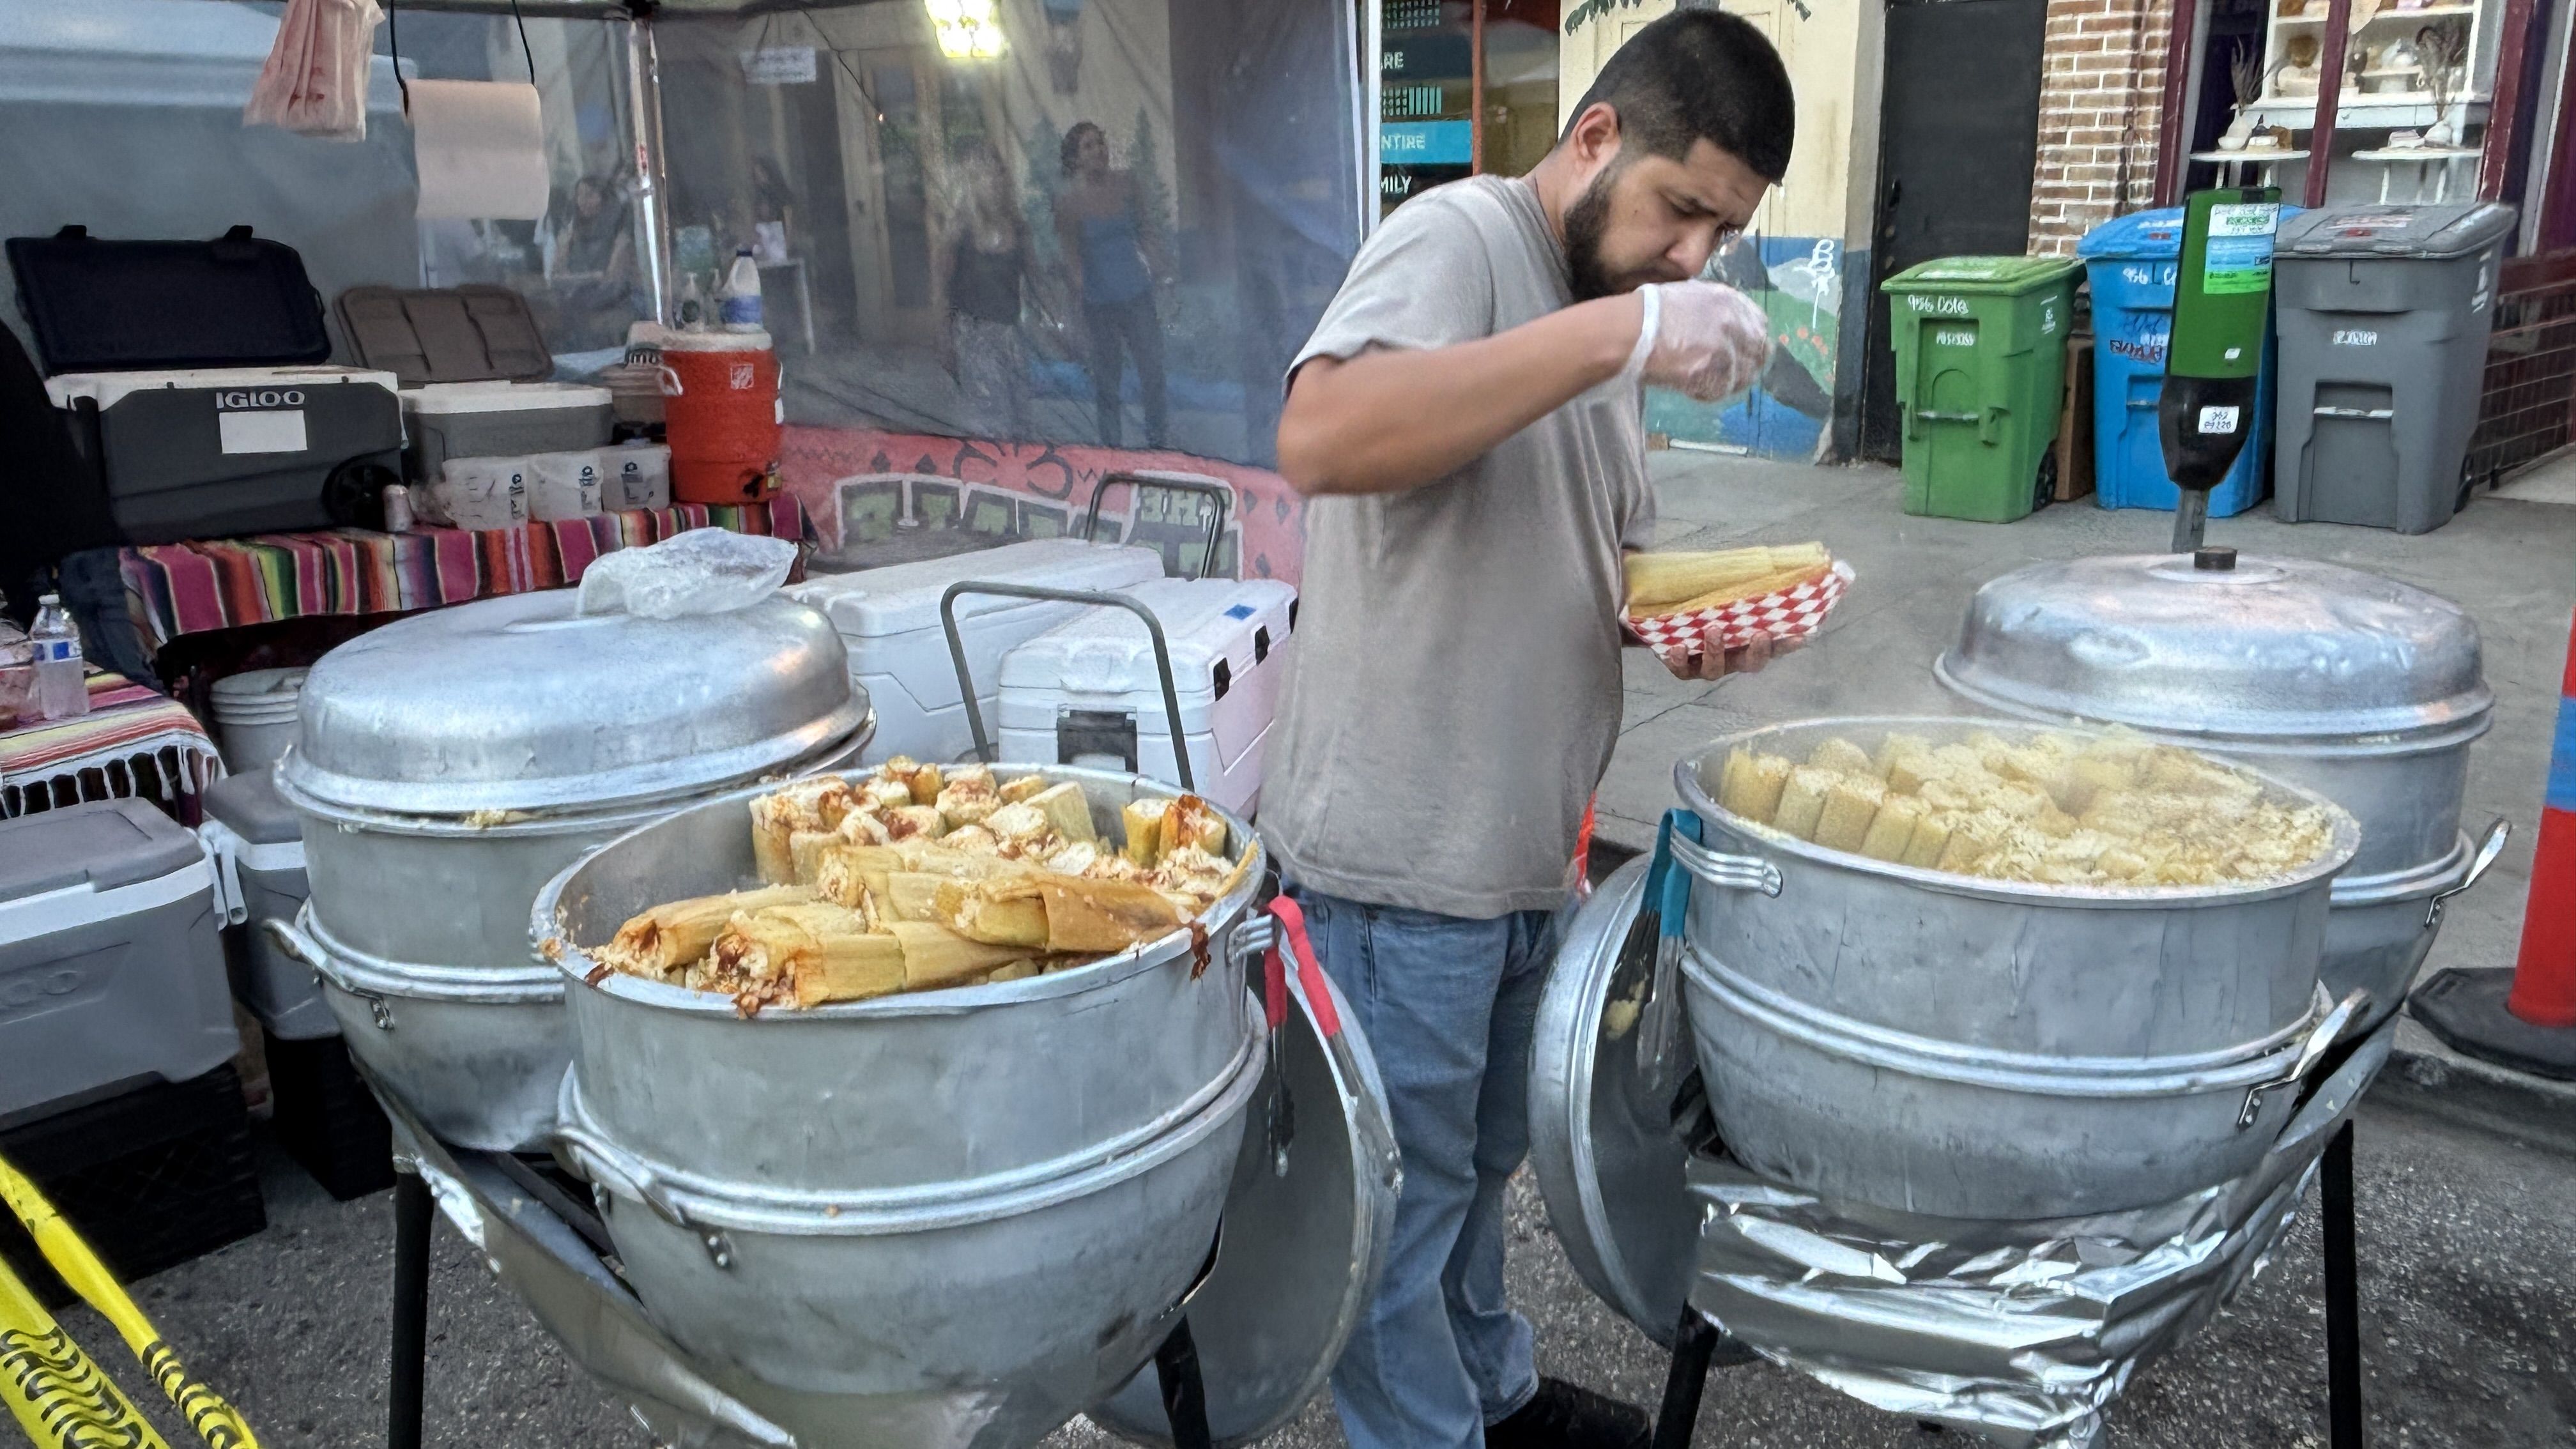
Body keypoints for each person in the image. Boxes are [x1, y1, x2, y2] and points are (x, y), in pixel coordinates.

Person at [1268, 13, 1795, 1449]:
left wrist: (1693, 626)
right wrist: (1622, 331)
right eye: (1681, 209)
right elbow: (1322, 437)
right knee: (1396, 1200)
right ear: (1598, 139)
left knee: (1477, 1170)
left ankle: (1491, 1396)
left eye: (1722, 234)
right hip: (1392, 859)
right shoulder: (1459, 239)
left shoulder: (1611, 317)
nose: (1692, 257)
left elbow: (1577, 555)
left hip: (1521, 850)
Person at [1055, 121, 1167, 449]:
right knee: (1107, 381)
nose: (1098, 151)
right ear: (1076, 158)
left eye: (1101, 143)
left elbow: (1146, 229)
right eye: (1089, 146)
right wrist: (1079, 306)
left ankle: (1158, 442)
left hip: (1136, 293)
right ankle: (1111, 448)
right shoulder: (1069, 203)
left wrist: (1161, 271)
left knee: (1153, 371)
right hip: (1100, 302)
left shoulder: (1127, 183)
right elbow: (1072, 257)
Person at [940, 138, 1033, 438]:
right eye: (984, 174)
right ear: (971, 182)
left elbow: (1036, 279)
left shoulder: (1018, 228)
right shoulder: (958, 230)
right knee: (992, 424)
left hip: (1010, 336)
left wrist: (1059, 327)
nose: (993, 181)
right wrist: (944, 339)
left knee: (1020, 421)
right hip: (974, 336)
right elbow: (941, 289)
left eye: (998, 173)